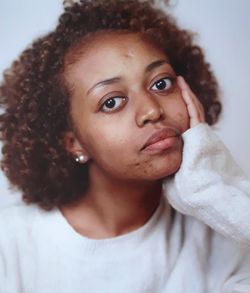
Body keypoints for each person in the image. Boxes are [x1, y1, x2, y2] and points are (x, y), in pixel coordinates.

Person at [0, 0, 249, 292]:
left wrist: (213, 187)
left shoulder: (222, 231)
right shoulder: (12, 244)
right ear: (74, 143)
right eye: (112, 102)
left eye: (161, 84)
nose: (151, 111)